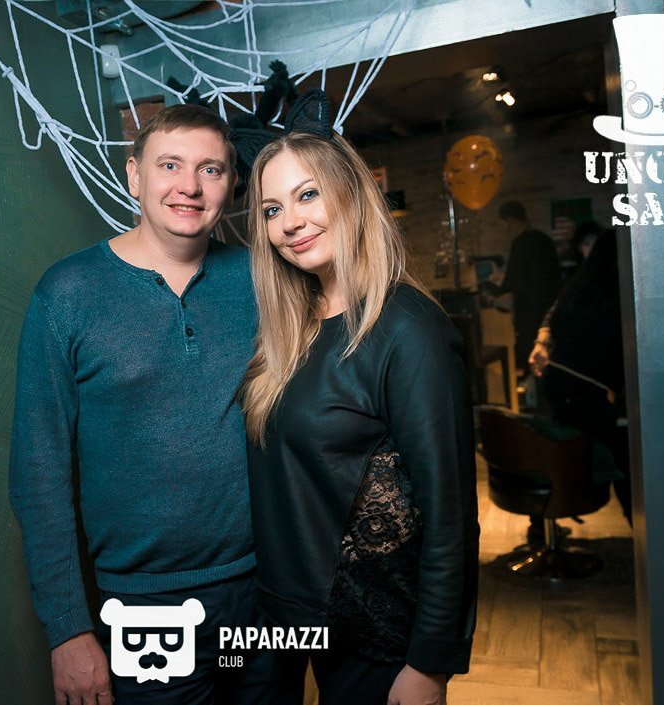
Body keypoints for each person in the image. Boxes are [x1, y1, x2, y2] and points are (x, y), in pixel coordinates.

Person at [9, 104, 267, 705]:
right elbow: (39, 472)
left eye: (210, 169)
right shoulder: (67, 293)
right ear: (134, 175)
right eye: (169, 165)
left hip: (264, 593)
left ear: (231, 183)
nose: (189, 186)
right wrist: (68, 630)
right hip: (145, 607)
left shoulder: (262, 280)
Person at [239, 125, 479, 705]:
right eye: (272, 209)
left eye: (308, 194)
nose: (290, 222)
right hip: (286, 618)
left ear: (352, 192)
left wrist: (429, 665)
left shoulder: (409, 330)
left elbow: (450, 517)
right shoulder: (291, 327)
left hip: (376, 637)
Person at [528, 229, 631, 522]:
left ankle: (542, 523)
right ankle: (641, 531)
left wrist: (542, 340)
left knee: (561, 457)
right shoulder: (619, 291)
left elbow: (553, 313)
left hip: (558, 382)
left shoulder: (582, 281)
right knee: (622, 463)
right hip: (586, 390)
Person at [482, 201, 561, 378]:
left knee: (528, 354)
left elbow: (513, 279)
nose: (507, 228)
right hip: (549, 305)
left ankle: (529, 389)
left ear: (510, 219)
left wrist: (493, 289)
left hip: (528, 308)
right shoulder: (545, 239)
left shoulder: (520, 242)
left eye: (506, 223)